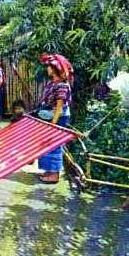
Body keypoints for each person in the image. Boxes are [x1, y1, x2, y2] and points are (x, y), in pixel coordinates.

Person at [36, 53, 74, 184]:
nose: (47, 69)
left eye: (49, 67)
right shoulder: (53, 83)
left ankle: (54, 175)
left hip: (58, 118)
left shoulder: (62, 85)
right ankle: (49, 170)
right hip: (51, 116)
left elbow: (59, 107)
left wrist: (53, 124)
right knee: (47, 144)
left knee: (54, 144)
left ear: (55, 69)